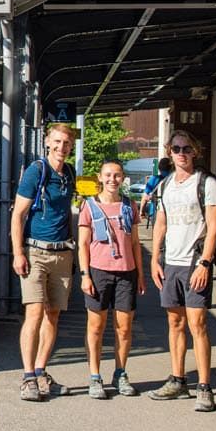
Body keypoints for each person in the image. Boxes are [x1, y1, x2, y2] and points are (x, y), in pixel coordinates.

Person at [149, 130, 216, 412]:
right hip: (171, 263)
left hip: (195, 263)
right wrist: (155, 258)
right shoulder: (166, 185)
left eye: (187, 149)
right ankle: (177, 379)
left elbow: (214, 227)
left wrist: (205, 262)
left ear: (196, 152)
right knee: (175, 323)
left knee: (198, 325)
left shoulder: (207, 184)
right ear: (169, 151)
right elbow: (161, 223)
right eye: (177, 148)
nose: (182, 153)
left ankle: (204, 386)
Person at [10, 122, 77, 401]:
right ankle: (27, 377)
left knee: (53, 315)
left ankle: (40, 371)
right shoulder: (36, 171)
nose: (61, 148)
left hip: (62, 253)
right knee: (35, 313)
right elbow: (18, 215)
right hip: (36, 252)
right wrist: (18, 253)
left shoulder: (69, 173)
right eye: (57, 142)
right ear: (47, 142)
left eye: (66, 144)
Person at [78, 159, 145, 398]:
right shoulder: (89, 206)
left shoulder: (130, 206)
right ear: (100, 177)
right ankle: (95, 376)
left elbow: (135, 243)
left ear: (123, 177)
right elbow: (83, 244)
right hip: (98, 271)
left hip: (126, 272)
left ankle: (120, 373)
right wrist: (85, 275)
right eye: (107, 175)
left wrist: (140, 274)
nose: (112, 180)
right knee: (96, 327)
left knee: (124, 328)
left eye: (117, 175)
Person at [139, 156, 172, 226]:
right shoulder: (174, 180)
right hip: (172, 214)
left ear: (159, 168)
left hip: (156, 213)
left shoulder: (154, 179)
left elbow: (145, 198)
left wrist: (142, 212)